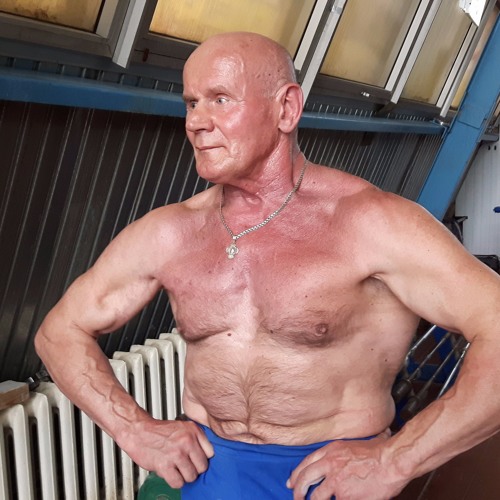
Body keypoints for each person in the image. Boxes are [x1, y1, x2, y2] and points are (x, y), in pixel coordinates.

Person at [34, 31, 500, 500]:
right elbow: (59, 333)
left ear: (286, 109)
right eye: (191, 103)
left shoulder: (371, 223)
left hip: (330, 479)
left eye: (220, 99)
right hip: (211, 473)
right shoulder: (171, 233)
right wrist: (134, 430)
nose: (196, 122)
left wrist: (396, 460)